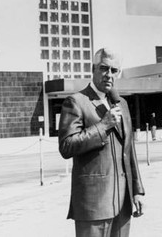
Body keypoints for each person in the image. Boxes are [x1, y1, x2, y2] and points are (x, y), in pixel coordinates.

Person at [59, 48, 144, 237]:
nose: (109, 75)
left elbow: (129, 151)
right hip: (94, 205)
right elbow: (66, 146)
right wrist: (103, 126)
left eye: (115, 71)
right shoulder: (76, 102)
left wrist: (137, 191)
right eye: (104, 68)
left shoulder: (121, 103)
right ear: (93, 69)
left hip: (123, 202)